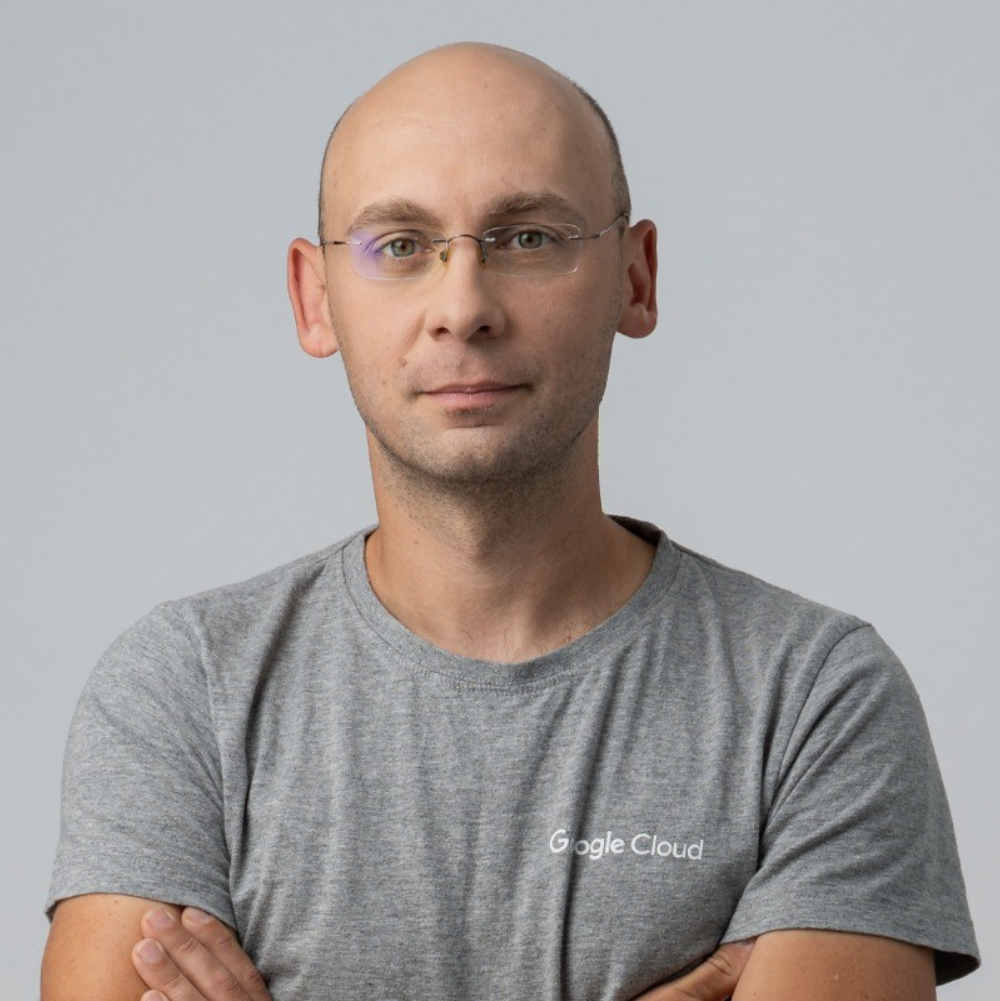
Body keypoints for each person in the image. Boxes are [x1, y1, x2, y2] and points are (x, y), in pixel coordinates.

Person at [41, 42, 978, 1001]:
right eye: (399, 246)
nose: (464, 307)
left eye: (528, 237)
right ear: (314, 298)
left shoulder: (816, 697)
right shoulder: (185, 691)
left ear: (636, 277)